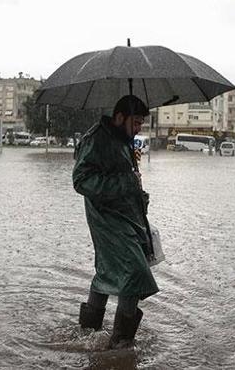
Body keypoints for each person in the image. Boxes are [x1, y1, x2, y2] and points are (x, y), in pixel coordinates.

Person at [72, 95, 158, 349]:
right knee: (134, 272)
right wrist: (127, 182)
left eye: (141, 123)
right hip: (107, 218)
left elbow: (124, 176)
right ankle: (122, 343)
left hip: (126, 217)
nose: (139, 128)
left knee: (107, 271)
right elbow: (81, 181)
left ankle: (88, 332)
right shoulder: (96, 139)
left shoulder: (123, 139)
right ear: (120, 117)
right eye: (136, 122)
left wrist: (138, 193)